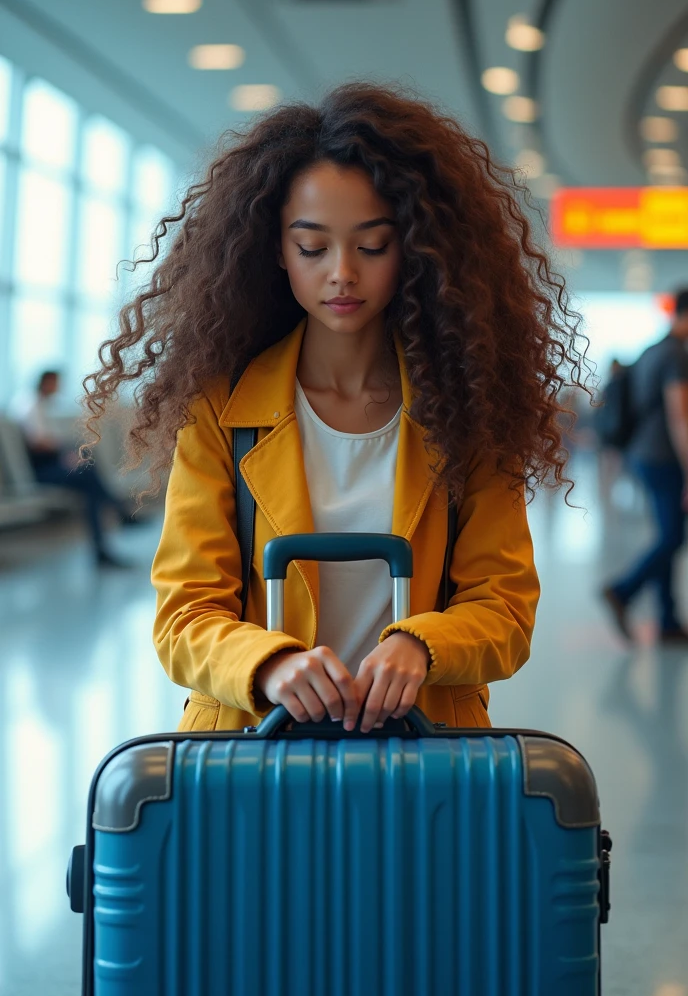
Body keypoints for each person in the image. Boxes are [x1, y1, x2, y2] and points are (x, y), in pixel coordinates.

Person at [80, 83, 588, 732]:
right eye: (313, 248)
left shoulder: (470, 412)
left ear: (416, 250)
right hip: (253, 756)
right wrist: (268, 664)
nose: (342, 273)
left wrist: (422, 645)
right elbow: (184, 617)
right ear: (277, 253)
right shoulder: (221, 409)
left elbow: (505, 610)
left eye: (372, 246)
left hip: (423, 754)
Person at [603, 289, 688, 643]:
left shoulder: (651, 351)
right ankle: (623, 591)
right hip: (663, 457)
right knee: (673, 535)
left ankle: (668, 621)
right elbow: (679, 416)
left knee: (668, 532)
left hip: (643, 455)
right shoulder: (676, 357)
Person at [21, 370, 133, 568]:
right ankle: (118, 512)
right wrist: (64, 453)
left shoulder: (44, 406)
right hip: (42, 471)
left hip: (51, 464)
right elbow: (39, 444)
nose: (57, 387)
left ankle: (109, 534)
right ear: (46, 382)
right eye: (55, 383)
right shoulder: (31, 406)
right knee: (88, 473)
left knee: (89, 480)